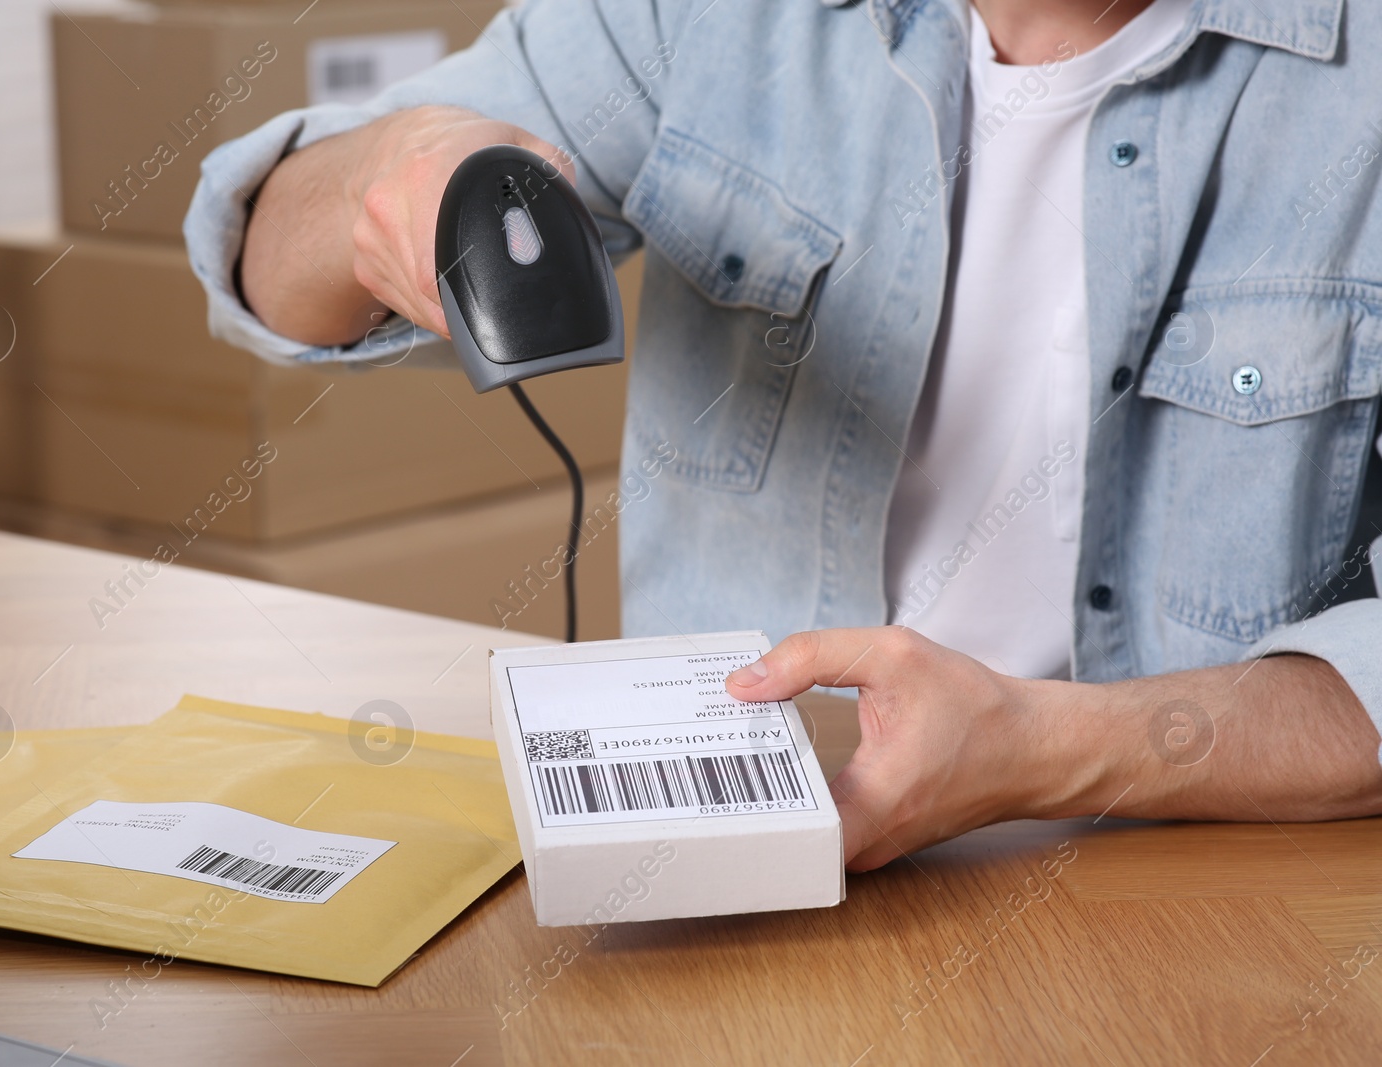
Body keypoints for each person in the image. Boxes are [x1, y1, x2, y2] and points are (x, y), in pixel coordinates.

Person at [184, 0, 1382, 870]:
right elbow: (265, 269)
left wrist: (1044, 748)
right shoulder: (696, 20)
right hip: (732, 902)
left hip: (1200, 912)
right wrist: (380, 177)